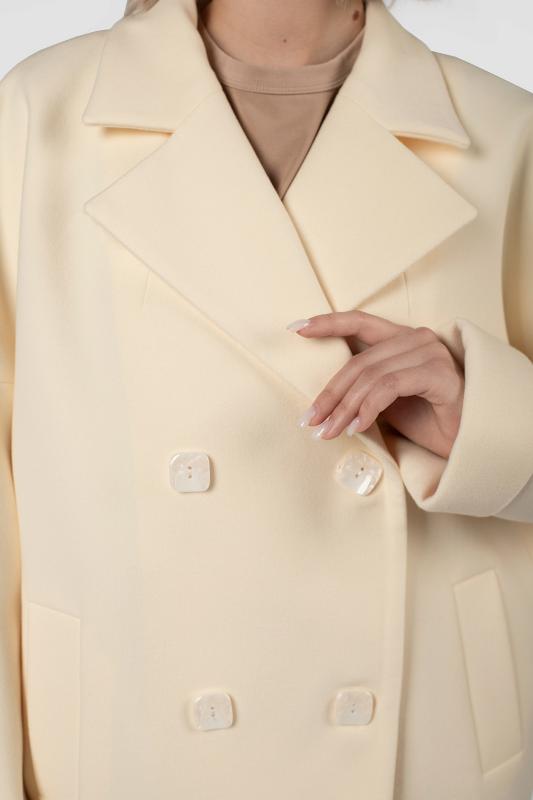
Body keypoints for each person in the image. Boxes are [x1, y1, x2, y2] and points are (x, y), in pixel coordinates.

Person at [0, 1, 532, 799]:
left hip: (428, 739)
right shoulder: (40, 114)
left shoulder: (504, 131)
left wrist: (484, 418)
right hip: (126, 729)